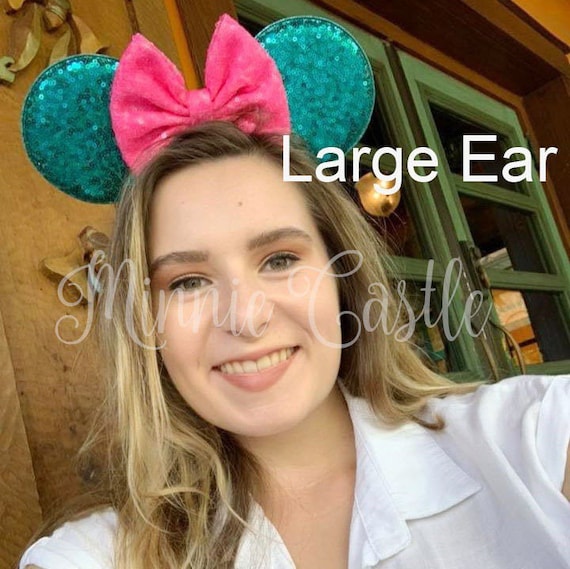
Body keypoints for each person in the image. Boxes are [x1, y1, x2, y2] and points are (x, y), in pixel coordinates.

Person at [19, 15, 570, 569]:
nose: (246, 317)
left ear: (340, 275)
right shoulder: (96, 555)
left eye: (280, 260)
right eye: (187, 281)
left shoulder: (531, 441)